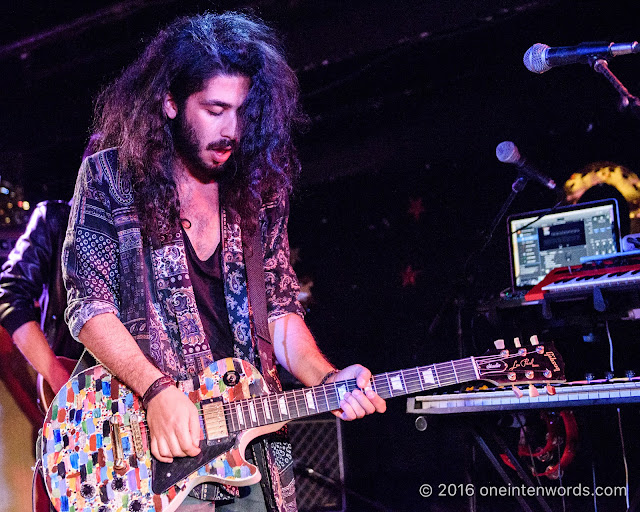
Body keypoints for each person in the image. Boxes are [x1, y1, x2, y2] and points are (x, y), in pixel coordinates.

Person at [62, 12, 386, 512]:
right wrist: (156, 390)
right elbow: (88, 306)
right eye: (214, 109)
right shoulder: (111, 175)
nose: (231, 130)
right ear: (170, 102)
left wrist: (324, 378)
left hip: (253, 437)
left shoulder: (258, 189)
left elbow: (278, 307)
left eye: (240, 111)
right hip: (150, 441)